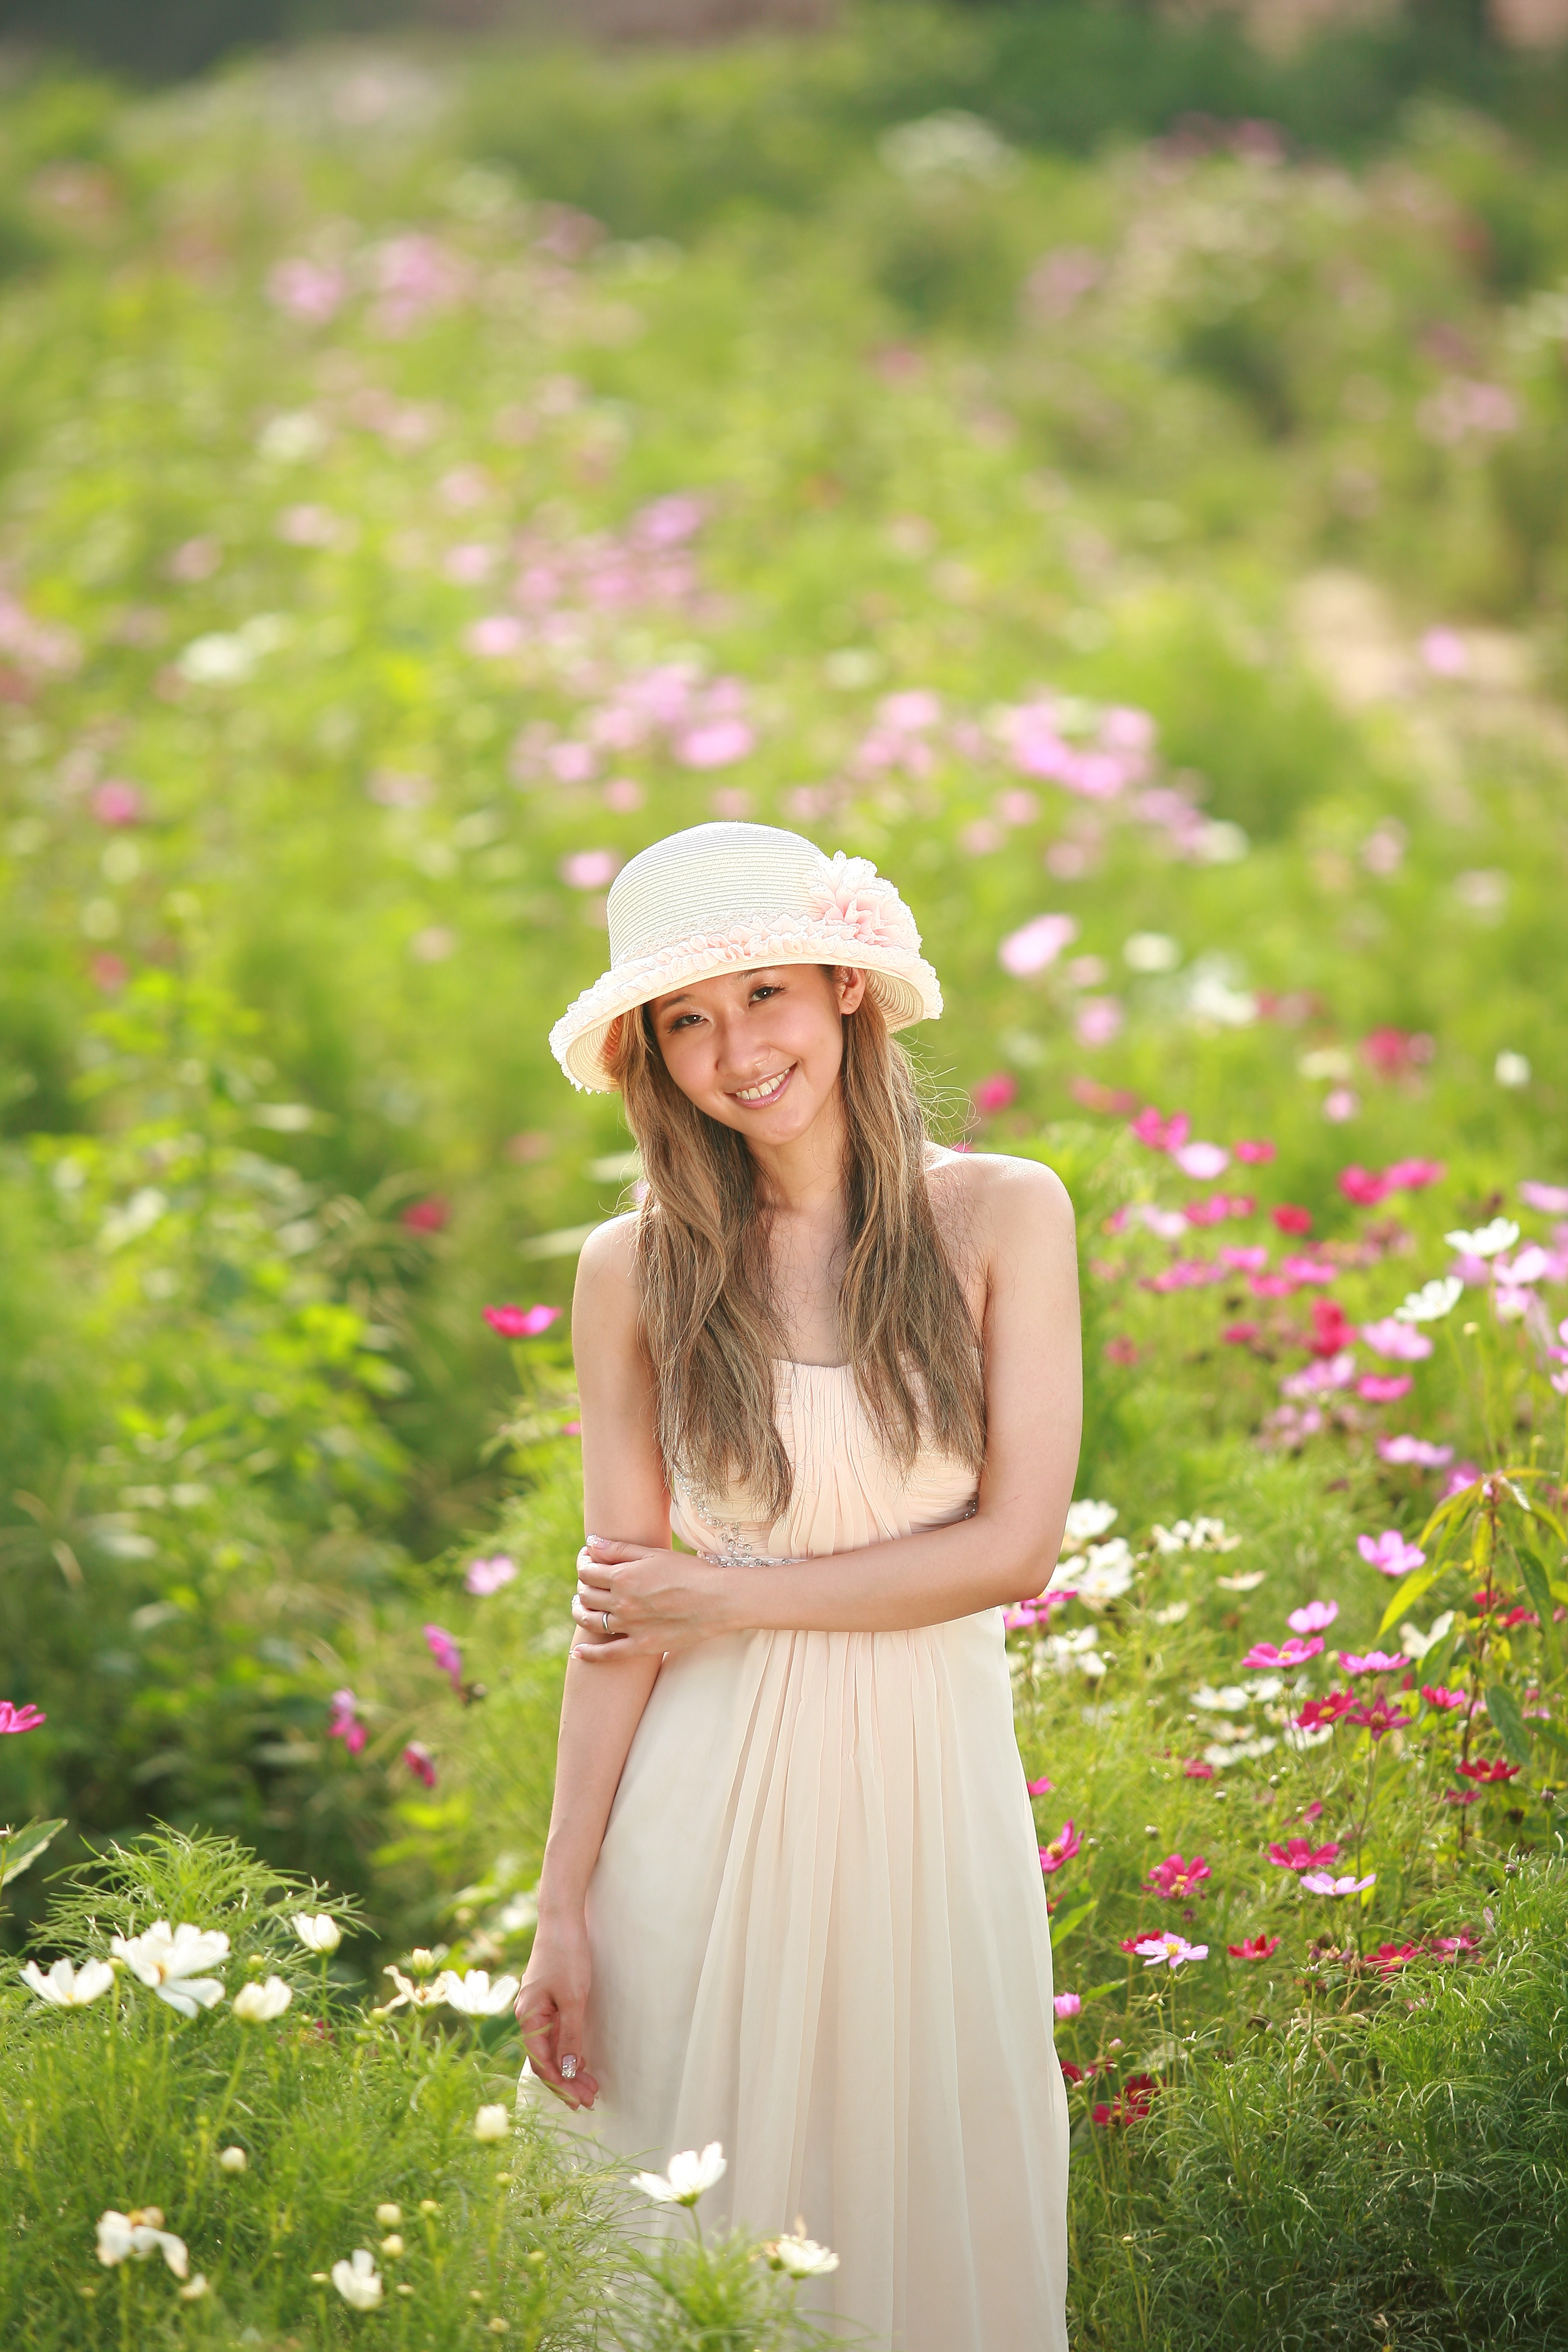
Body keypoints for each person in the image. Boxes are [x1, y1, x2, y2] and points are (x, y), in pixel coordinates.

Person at [515, 821, 1080, 2351]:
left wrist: (733, 1598)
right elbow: (622, 1614)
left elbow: (1014, 1550)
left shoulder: (1002, 1213)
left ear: (845, 987)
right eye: (686, 1023)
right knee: (680, 2243)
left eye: (763, 993)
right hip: (696, 1815)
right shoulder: (634, 1269)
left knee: (916, 2197)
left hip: (926, 1799)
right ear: (652, 1063)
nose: (734, 1051)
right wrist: (560, 1906)